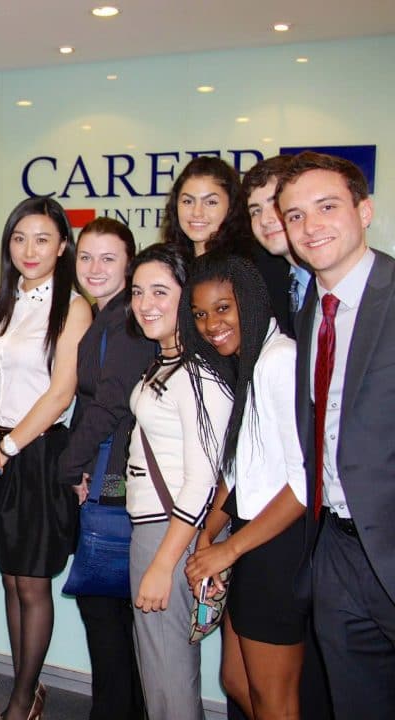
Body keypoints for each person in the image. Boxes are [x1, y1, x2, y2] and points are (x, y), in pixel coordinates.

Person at [0, 196, 92, 720]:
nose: (29, 250)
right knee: (10, 576)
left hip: (35, 455)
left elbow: (61, 393)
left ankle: (21, 699)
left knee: (32, 579)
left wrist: (7, 448)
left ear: (61, 246)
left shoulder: (73, 306)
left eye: (41, 239)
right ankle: (27, 686)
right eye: (18, 238)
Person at [277, 151, 395, 718]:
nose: (310, 226)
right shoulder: (311, 314)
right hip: (337, 554)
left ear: (364, 210)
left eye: (327, 207)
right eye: (295, 215)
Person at [180, 253, 307, 719]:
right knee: (235, 679)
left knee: (275, 701)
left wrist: (227, 551)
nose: (211, 324)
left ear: (250, 302)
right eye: (200, 314)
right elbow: (239, 472)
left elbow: (304, 483)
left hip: (277, 547)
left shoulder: (280, 361)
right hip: (249, 540)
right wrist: (207, 534)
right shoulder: (251, 362)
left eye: (222, 308)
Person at [124, 243, 232, 720]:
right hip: (159, 530)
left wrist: (163, 564)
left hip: (170, 533)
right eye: (138, 292)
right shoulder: (168, 359)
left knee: (169, 677)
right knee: (160, 671)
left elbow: (204, 480)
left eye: (160, 292)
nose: (146, 303)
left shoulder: (198, 371)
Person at [57, 217, 153, 720]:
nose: (94, 268)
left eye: (108, 258)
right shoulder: (106, 316)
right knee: (111, 612)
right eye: (86, 257)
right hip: (108, 472)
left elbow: (113, 406)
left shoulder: (126, 323)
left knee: (106, 610)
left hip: (113, 478)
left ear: (129, 264)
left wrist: (70, 468)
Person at [243, 156, 312, 338]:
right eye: (255, 211)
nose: (265, 220)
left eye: (275, 204)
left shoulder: (333, 278)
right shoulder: (278, 283)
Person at [161, 156, 251, 261]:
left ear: (232, 206)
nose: (197, 212)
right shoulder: (170, 265)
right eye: (188, 201)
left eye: (210, 202)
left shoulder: (241, 268)